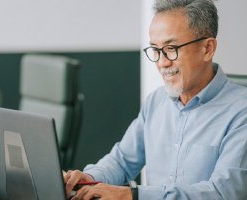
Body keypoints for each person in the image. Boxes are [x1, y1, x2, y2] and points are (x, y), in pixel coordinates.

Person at [64, 0, 247, 199]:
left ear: (207, 48)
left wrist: (132, 196)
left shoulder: (241, 112)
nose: (162, 62)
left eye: (171, 48)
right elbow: (122, 161)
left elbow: (224, 193)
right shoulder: (156, 101)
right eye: (155, 50)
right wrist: (89, 178)